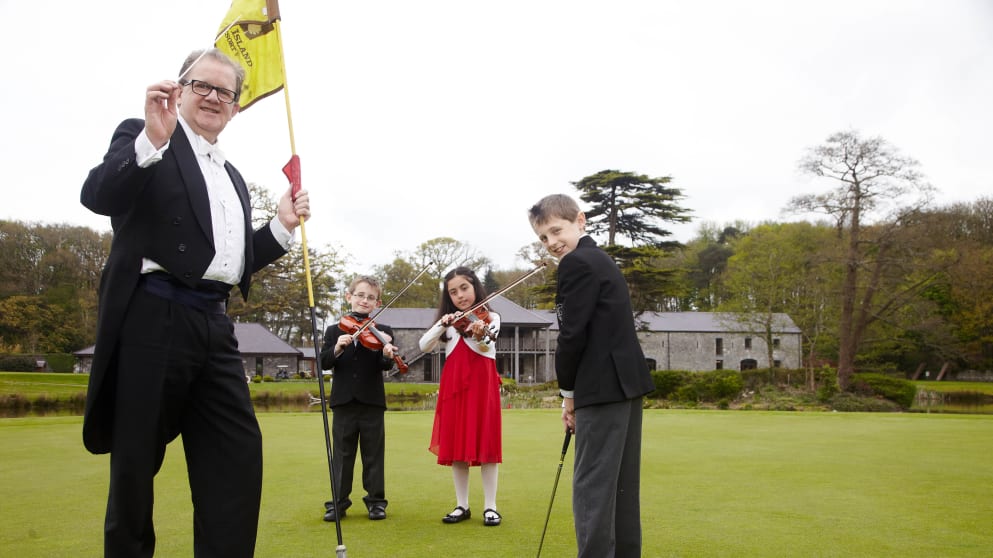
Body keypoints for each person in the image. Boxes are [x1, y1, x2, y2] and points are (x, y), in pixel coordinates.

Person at [80, 48, 310, 557]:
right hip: (151, 318)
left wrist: (282, 226)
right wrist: (150, 139)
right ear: (179, 90)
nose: (212, 97)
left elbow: (231, 261)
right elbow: (98, 196)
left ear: (234, 106)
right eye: (201, 85)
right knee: (136, 467)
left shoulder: (230, 178)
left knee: (237, 455)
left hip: (214, 325)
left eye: (224, 92)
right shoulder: (143, 138)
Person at [528, 194, 655, 558]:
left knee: (593, 487)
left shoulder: (576, 263)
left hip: (601, 387)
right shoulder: (601, 259)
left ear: (580, 221)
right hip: (627, 385)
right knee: (621, 487)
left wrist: (568, 393)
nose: (552, 243)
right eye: (543, 238)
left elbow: (572, 335)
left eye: (557, 231)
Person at [418, 267, 504, 527]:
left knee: (487, 445)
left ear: (475, 287)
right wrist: (442, 324)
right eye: (453, 292)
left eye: (464, 288)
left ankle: (491, 507)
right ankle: (462, 505)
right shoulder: (449, 322)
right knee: (456, 446)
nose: (459, 295)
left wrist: (479, 333)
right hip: (454, 387)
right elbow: (424, 345)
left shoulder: (491, 317)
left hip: (482, 385)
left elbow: (486, 346)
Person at [319, 276, 400, 522]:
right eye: (360, 295)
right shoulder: (334, 330)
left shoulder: (383, 332)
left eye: (371, 298)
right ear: (349, 297)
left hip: (372, 401)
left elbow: (384, 365)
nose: (365, 301)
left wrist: (387, 353)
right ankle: (338, 503)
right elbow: (324, 362)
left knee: (373, 454)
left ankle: (376, 502)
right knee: (342, 456)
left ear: (377, 303)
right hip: (343, 401)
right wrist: (337, 348)